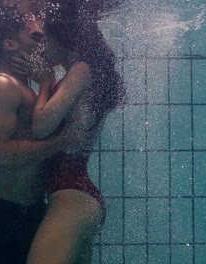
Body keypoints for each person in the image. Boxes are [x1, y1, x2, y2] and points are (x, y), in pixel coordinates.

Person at [9, 1, 126, 263]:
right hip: (77, 199)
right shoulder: (88, 71)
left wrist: (44, 81)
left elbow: (41, 127)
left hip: (72, 198)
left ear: (63, 37)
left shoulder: (81, 70)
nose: (41, 45)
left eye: (44, 37)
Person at [0, 2, 90, 263]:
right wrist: (60, 143)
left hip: (31, 211)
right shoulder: (2, 86)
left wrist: (47, 82)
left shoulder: (29, 91)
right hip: (12, 216)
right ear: (10, 45)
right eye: (35, 35)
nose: (44, 39)